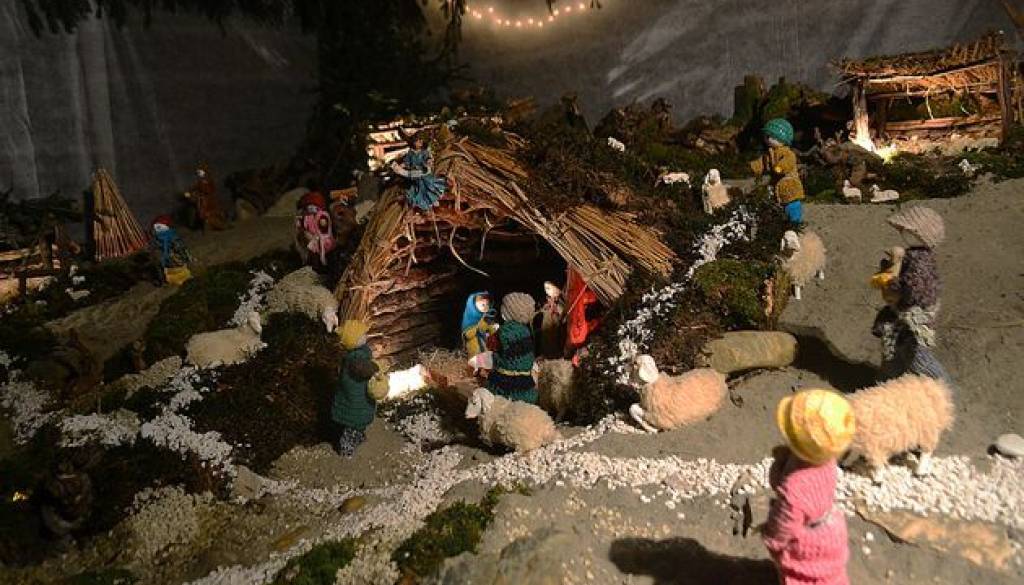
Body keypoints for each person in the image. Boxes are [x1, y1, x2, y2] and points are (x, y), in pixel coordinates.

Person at [765, 389, 855, 585]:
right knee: (830, 575)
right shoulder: (825, 460)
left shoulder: (794, 488)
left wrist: (772, 540)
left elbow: (783, 525)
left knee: (805, 577)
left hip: (806, 542)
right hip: (830, 528)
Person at [331, 320, 385, 457]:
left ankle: (357, 436)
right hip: (355, 398)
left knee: (360, 420)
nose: (365, 335)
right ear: (355, 341)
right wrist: (375, 369)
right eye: (362, 335)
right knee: (355, 421)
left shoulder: (359, 352)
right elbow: (362, 368)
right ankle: (346, 447)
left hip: (360, 394)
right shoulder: (355, 358)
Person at [750, 118, 805, 225]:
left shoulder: (787, 153)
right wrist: (753, 167)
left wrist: (780, 167)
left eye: (771, 137)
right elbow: (762, 162)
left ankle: (795, 224)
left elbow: (788, 162)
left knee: (792, 206)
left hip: (789, 185)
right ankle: (782, 224)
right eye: (767, 136)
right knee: (778, 207)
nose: (768, 139)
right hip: (776, 186)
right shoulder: (769, 153)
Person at [487, 292, 539, 404]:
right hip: (525, 382)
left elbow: (491, 345)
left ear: (509, 312)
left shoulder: (505, 330)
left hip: (505, 382)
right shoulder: (526, 331)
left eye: (504, 308)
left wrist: (492, 333)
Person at [391, 133, 447, 210]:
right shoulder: (410, 152)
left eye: (421, 141)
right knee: (418, 187)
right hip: (414, 173)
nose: (420, 143)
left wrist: (428, 162)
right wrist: (401, 166)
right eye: (417, 141)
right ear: (413, 142)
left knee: (428, 184)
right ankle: (423, 201)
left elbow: (428, 159)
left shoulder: (424, 152)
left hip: (423, 171)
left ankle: (432, 199)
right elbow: (407, 162)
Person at [295, 190, 336, 269]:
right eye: (308, 207)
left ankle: (321, 262)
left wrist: (317, 236)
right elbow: (305, 227)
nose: (310, 209)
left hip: (323, 238)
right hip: (314, 238)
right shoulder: (308, 217)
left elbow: (324, 228)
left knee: (316, 247)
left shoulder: (322, 215)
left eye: (312, 206)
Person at [149, 215, 194, 286]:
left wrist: (186, 256)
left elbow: (181, 248)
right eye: (156, 228)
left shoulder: (172, 237)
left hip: (176, 261)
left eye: (159, 227)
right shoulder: (156, 240)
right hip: (167, 265)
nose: (157, 230)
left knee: (180, 271)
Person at [183, 165, 227, 231]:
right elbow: (195, 187)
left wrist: (200, 193)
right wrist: (189, 192)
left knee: (212, 211)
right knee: (201, 211)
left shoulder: (208, 180)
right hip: (203, 199)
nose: (199, 174)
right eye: (198, 173)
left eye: (200, 172)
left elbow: (210, 189)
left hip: (209, 199)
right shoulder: (200, 182)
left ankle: (218, 224)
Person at [461, 291, 498, 358]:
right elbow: (467, 335)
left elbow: (490, 330)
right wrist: (480, 326)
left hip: (486, 347)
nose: (485, 307)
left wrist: (494, 328)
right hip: (475, 349)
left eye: (487, 304)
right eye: (483, 304)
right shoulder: (469, 319)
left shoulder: (486, 317)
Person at [538, 281, 565, 359]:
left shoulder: (559, 304)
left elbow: (562, 314)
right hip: (547, 326)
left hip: (555, 327)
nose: (548, 299)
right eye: (548, 297)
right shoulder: (546, 305)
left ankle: (554, 354)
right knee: (547, 339)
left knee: (553, 340)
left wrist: (555, 309)